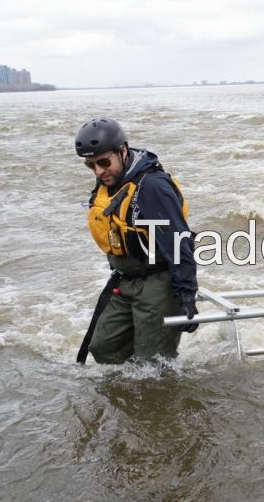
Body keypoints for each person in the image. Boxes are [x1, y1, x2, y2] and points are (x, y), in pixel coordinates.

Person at [74, 117, 199, 364]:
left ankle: (161, 385)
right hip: (126, 278)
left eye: (104, 162)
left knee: (152, 366)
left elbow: (179, 242)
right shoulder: (109, 182)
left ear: (123, 151)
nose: (98, 171)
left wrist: (187, 296)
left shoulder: (152, 187)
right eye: (91, 166)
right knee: (102, 348)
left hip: (157, 280)